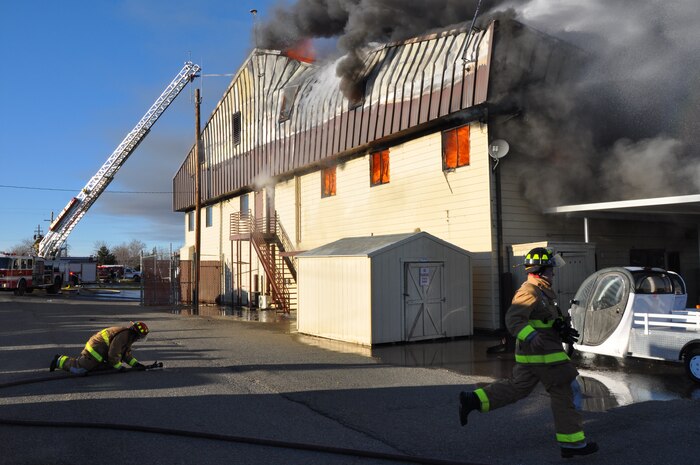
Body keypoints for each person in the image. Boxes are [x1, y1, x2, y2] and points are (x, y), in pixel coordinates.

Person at [458, 247, 598, 459]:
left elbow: (542, 320)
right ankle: (572, 443)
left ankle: (473, 400)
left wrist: (560, 328)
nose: (554, 273)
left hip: (537, 355)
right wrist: (531, 336)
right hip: (546, 356)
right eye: (551, 269)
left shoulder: (542, 292)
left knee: (518, 388)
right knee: (565, 392)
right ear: (541, 270)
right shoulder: (529, 291)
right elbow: (514, 319)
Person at [50, 321, 150, 375]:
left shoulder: (129, 337)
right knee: (79, 370)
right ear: (136, 333)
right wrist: (119, 367)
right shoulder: (124, 335)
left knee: (109, 367)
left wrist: (136, 364)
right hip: (95, 349)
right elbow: (114, 352)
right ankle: (59, 360)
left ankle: (91, 365)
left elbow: (125, 353)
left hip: (101, 350)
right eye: (140, 337)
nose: (139, 339)